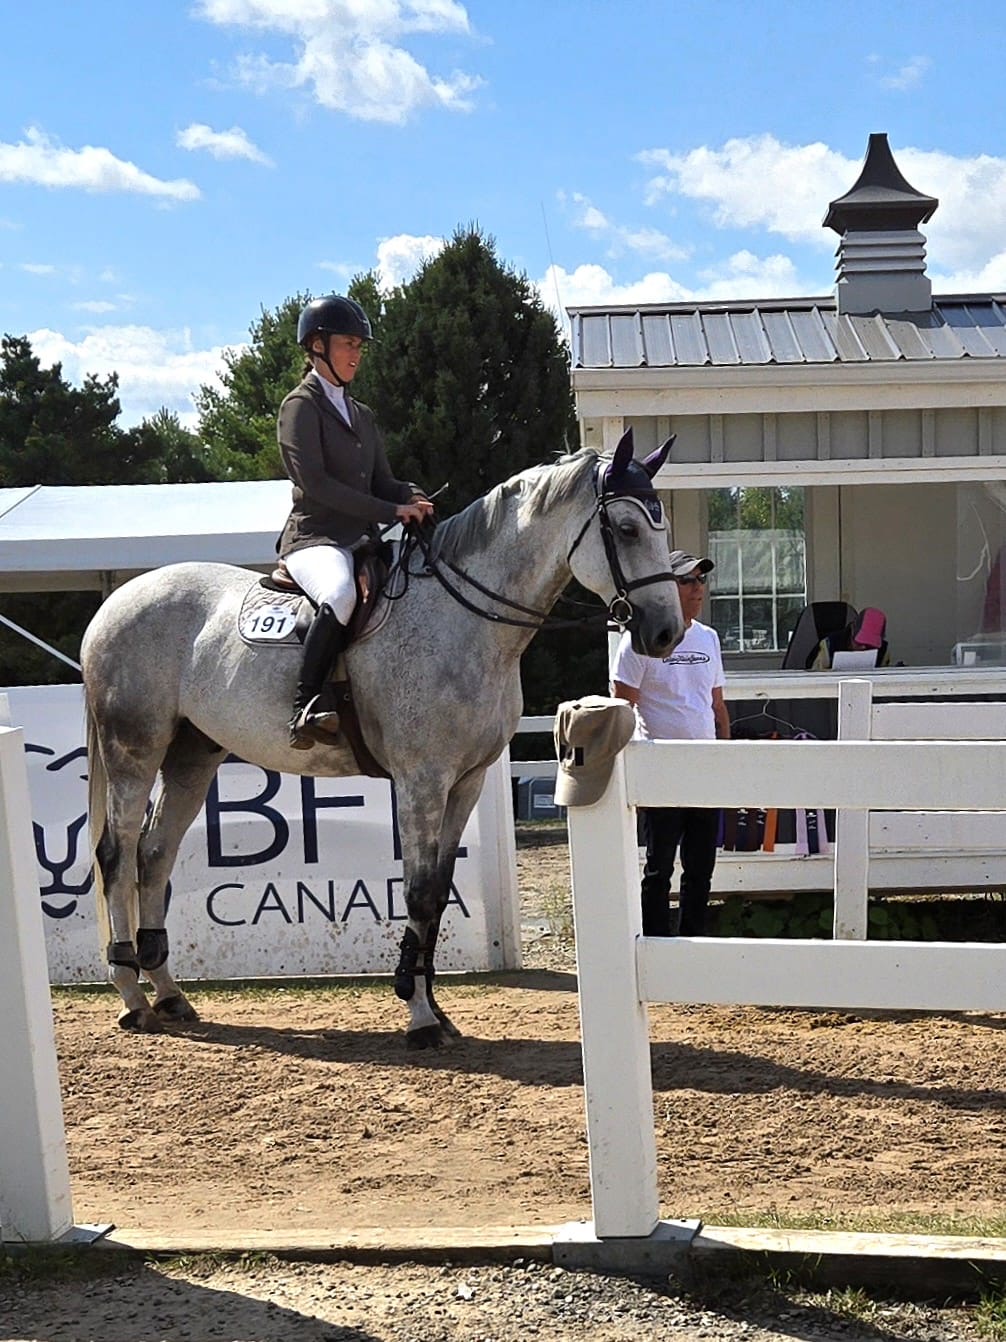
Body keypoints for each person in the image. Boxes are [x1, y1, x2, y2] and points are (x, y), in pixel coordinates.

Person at [277, 294, 434, 748]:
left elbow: (383, 481)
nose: (356, 354)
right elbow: (317, 485)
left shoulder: (361, 414)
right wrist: (390, 512)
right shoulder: (299, 407)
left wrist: (411, 496)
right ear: (317, 346)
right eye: (348, 344)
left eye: (359, 346)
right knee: (341, 593)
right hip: (316, 538)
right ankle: (305, 705)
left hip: (361, 540)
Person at [612, 550, 731, 936]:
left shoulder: (708, 638)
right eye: (687, 580)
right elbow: (622, 709)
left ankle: (693, 942)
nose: (698, 588)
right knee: (659, 867)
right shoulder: (639, 641)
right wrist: (629, 768)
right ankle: (656, 943)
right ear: (667, 587)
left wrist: (726, 755)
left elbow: (716, 705)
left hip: (705, 768)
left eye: (701, 580)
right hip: (659, 767)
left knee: (701, 867)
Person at [810, 606, 890, 670]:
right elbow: (814, 677)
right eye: (859, 643)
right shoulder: (828, 646)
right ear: (852, 630)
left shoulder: (883, 651)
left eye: (870, 645)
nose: (863, 647)